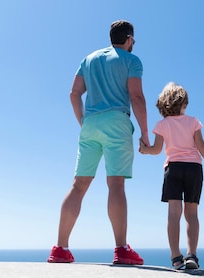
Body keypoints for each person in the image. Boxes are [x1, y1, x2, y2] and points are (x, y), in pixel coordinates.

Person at [47, 20, 149, 265]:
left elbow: (74, 93)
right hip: (117, 122)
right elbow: (136, 97)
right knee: (116, 185)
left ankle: (60, 248)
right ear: (128, 39)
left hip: (90, 124)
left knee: (78, 185)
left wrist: (83, 121)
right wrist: (145, 134)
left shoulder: (89, 58)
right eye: (133, 40)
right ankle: (122, 249)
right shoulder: (131, 60)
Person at [139, 82, 204, 270]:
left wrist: (144, 149)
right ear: (183, 103)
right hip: (193, 169)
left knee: (174, 214)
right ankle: (192, 255)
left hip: (173, 169)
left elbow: (157, 150)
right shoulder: (193, 122)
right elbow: (200, 145)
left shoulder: (162, 125)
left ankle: (176, 258)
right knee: (192, 214)